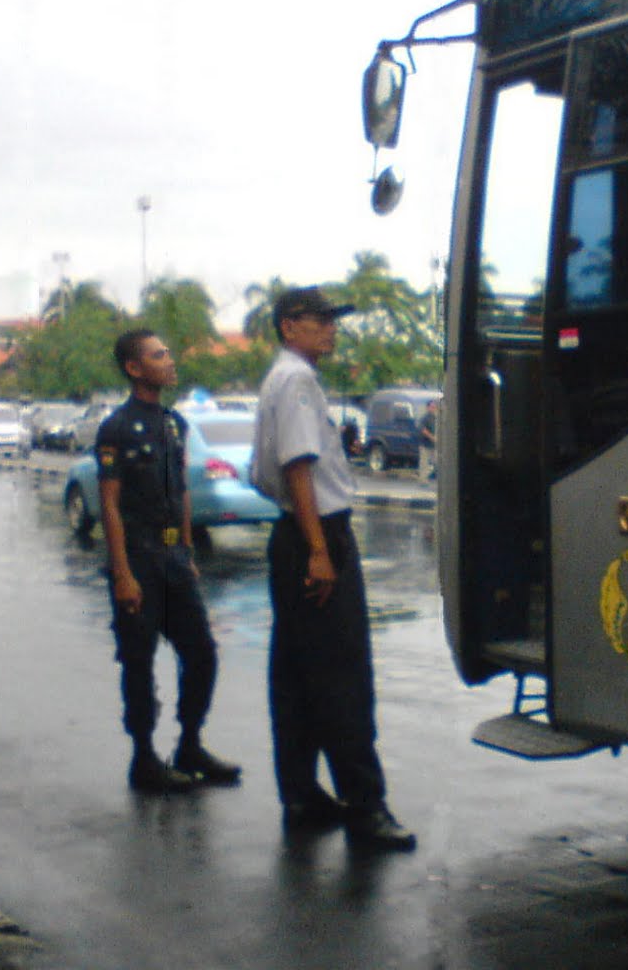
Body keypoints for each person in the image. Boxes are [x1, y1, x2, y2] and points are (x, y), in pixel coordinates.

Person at [250, 286, 416, 850]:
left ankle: (300, 795)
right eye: (319, 320)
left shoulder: (282, 377)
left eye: (332, 320)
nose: (331, 328)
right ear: (289, 327)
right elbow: (298, 466)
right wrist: (320, 550)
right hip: (315, 532)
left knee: (296, 676)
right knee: (342, 677)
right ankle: (365, 808)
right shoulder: (295, 380)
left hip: (294, 533)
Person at [95, 329, 241, 794]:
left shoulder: (174, 423)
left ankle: (190, 745)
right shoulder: (116, 427)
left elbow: (178, 488)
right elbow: (110, 504)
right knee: (138, 663)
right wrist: (122, 573)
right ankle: (144, 758)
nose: (170, 360)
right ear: (135, 368)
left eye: (168, 352)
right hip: (137, 559)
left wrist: (187, 552)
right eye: (159, 355)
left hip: (173, 558)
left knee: (201, 651)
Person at [417, 399, 438, 482]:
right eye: (432, 407)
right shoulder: (425, 418)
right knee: (424, 464)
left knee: (437, 462)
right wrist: (432, 437)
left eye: (434, 407)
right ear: (428, 407)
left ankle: (435, 478)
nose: (433, 408)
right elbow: (422, 429)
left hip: (434, 445)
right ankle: (423, 480)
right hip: (425, 444)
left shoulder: (436, 418)